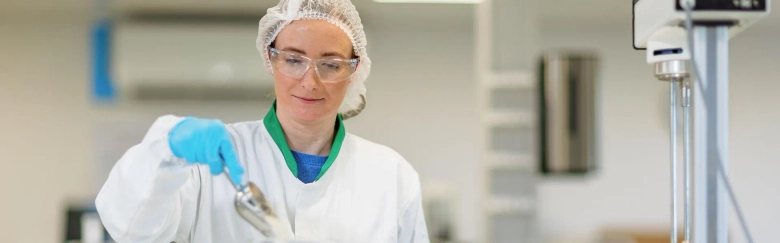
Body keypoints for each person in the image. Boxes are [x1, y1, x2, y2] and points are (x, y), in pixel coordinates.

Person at [94, 0, 430, 242]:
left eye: (331, 64)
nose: (310, 82)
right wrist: (165, 150)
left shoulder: (391, 176)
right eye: (294, 60)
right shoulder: (211, 165)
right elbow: (131, 229)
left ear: (354, 70)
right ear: (271, 59)